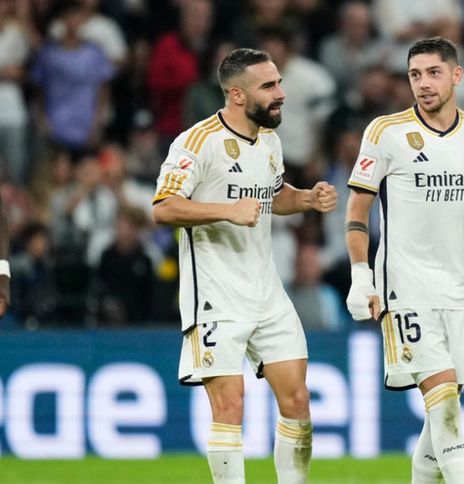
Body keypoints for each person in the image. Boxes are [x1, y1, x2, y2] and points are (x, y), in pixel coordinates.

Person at [152, 48, 337, 484]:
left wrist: (306, 199)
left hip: (267, 292)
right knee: (230, 406)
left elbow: (272, 195)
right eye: (268, 86)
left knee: (298, 401)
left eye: (279, 83)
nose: (281, 94)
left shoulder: (269, 141)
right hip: (216, 296)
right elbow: (163, 208)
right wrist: (226, 210)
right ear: (237, 95)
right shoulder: (197, 142)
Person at [344, 37, 464, 484]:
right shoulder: (385, 132)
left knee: (442, 415)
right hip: (405, 288)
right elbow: (357, 210)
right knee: (444, 403)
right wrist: (360, 275)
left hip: (460, 290)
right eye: (415, 75)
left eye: (433, 73)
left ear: (457, 75)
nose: (423, 83)